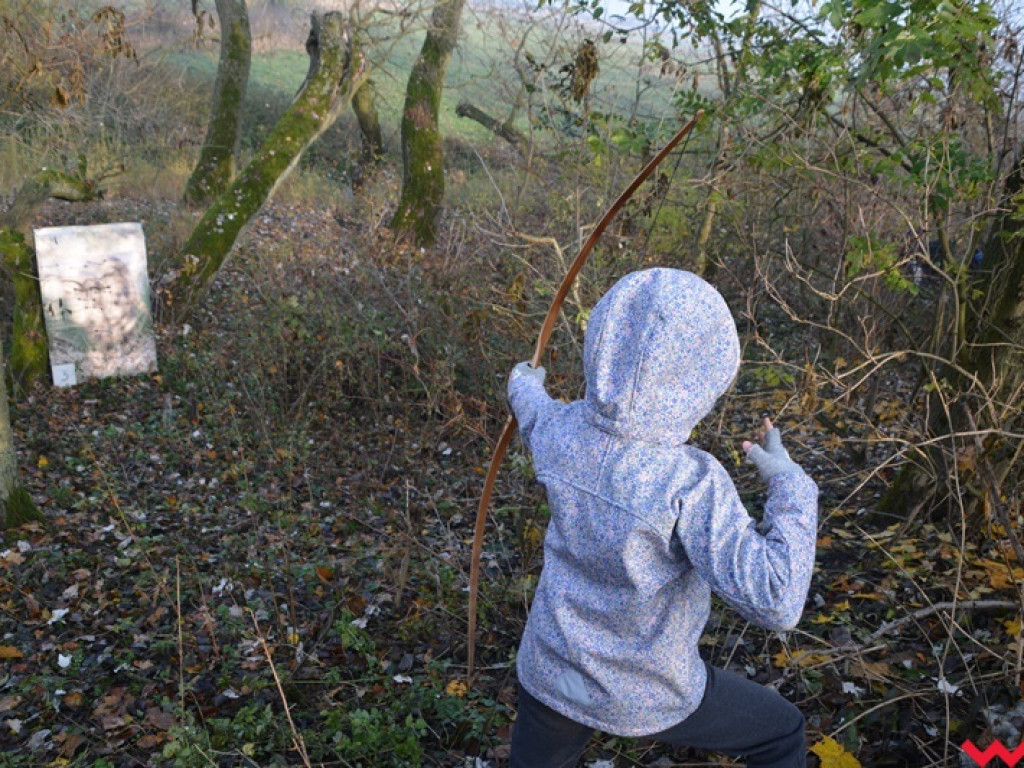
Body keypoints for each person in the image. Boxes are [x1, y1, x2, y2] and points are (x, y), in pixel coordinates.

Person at [505, 268, 818, 768]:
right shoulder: (689, 483)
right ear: (703, 375)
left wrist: (523, 382)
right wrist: (788, 480)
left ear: (603, 343)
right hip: (642, 692)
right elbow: (778, 599)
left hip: (555, 673)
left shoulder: (563, 431)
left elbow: (533, 411)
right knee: (781, 734)